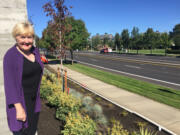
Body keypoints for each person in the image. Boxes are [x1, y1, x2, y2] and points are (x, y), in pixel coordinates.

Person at [3, 21, 44, 135]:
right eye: (22, 37)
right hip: (20, 104)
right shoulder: (10, 56)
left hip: (34, 102)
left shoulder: (35, 51)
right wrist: (19, 108)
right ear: (16, 37)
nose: (26, 41)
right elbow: (9, 84)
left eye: (29, 37)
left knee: (32, 130)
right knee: (22, 131)